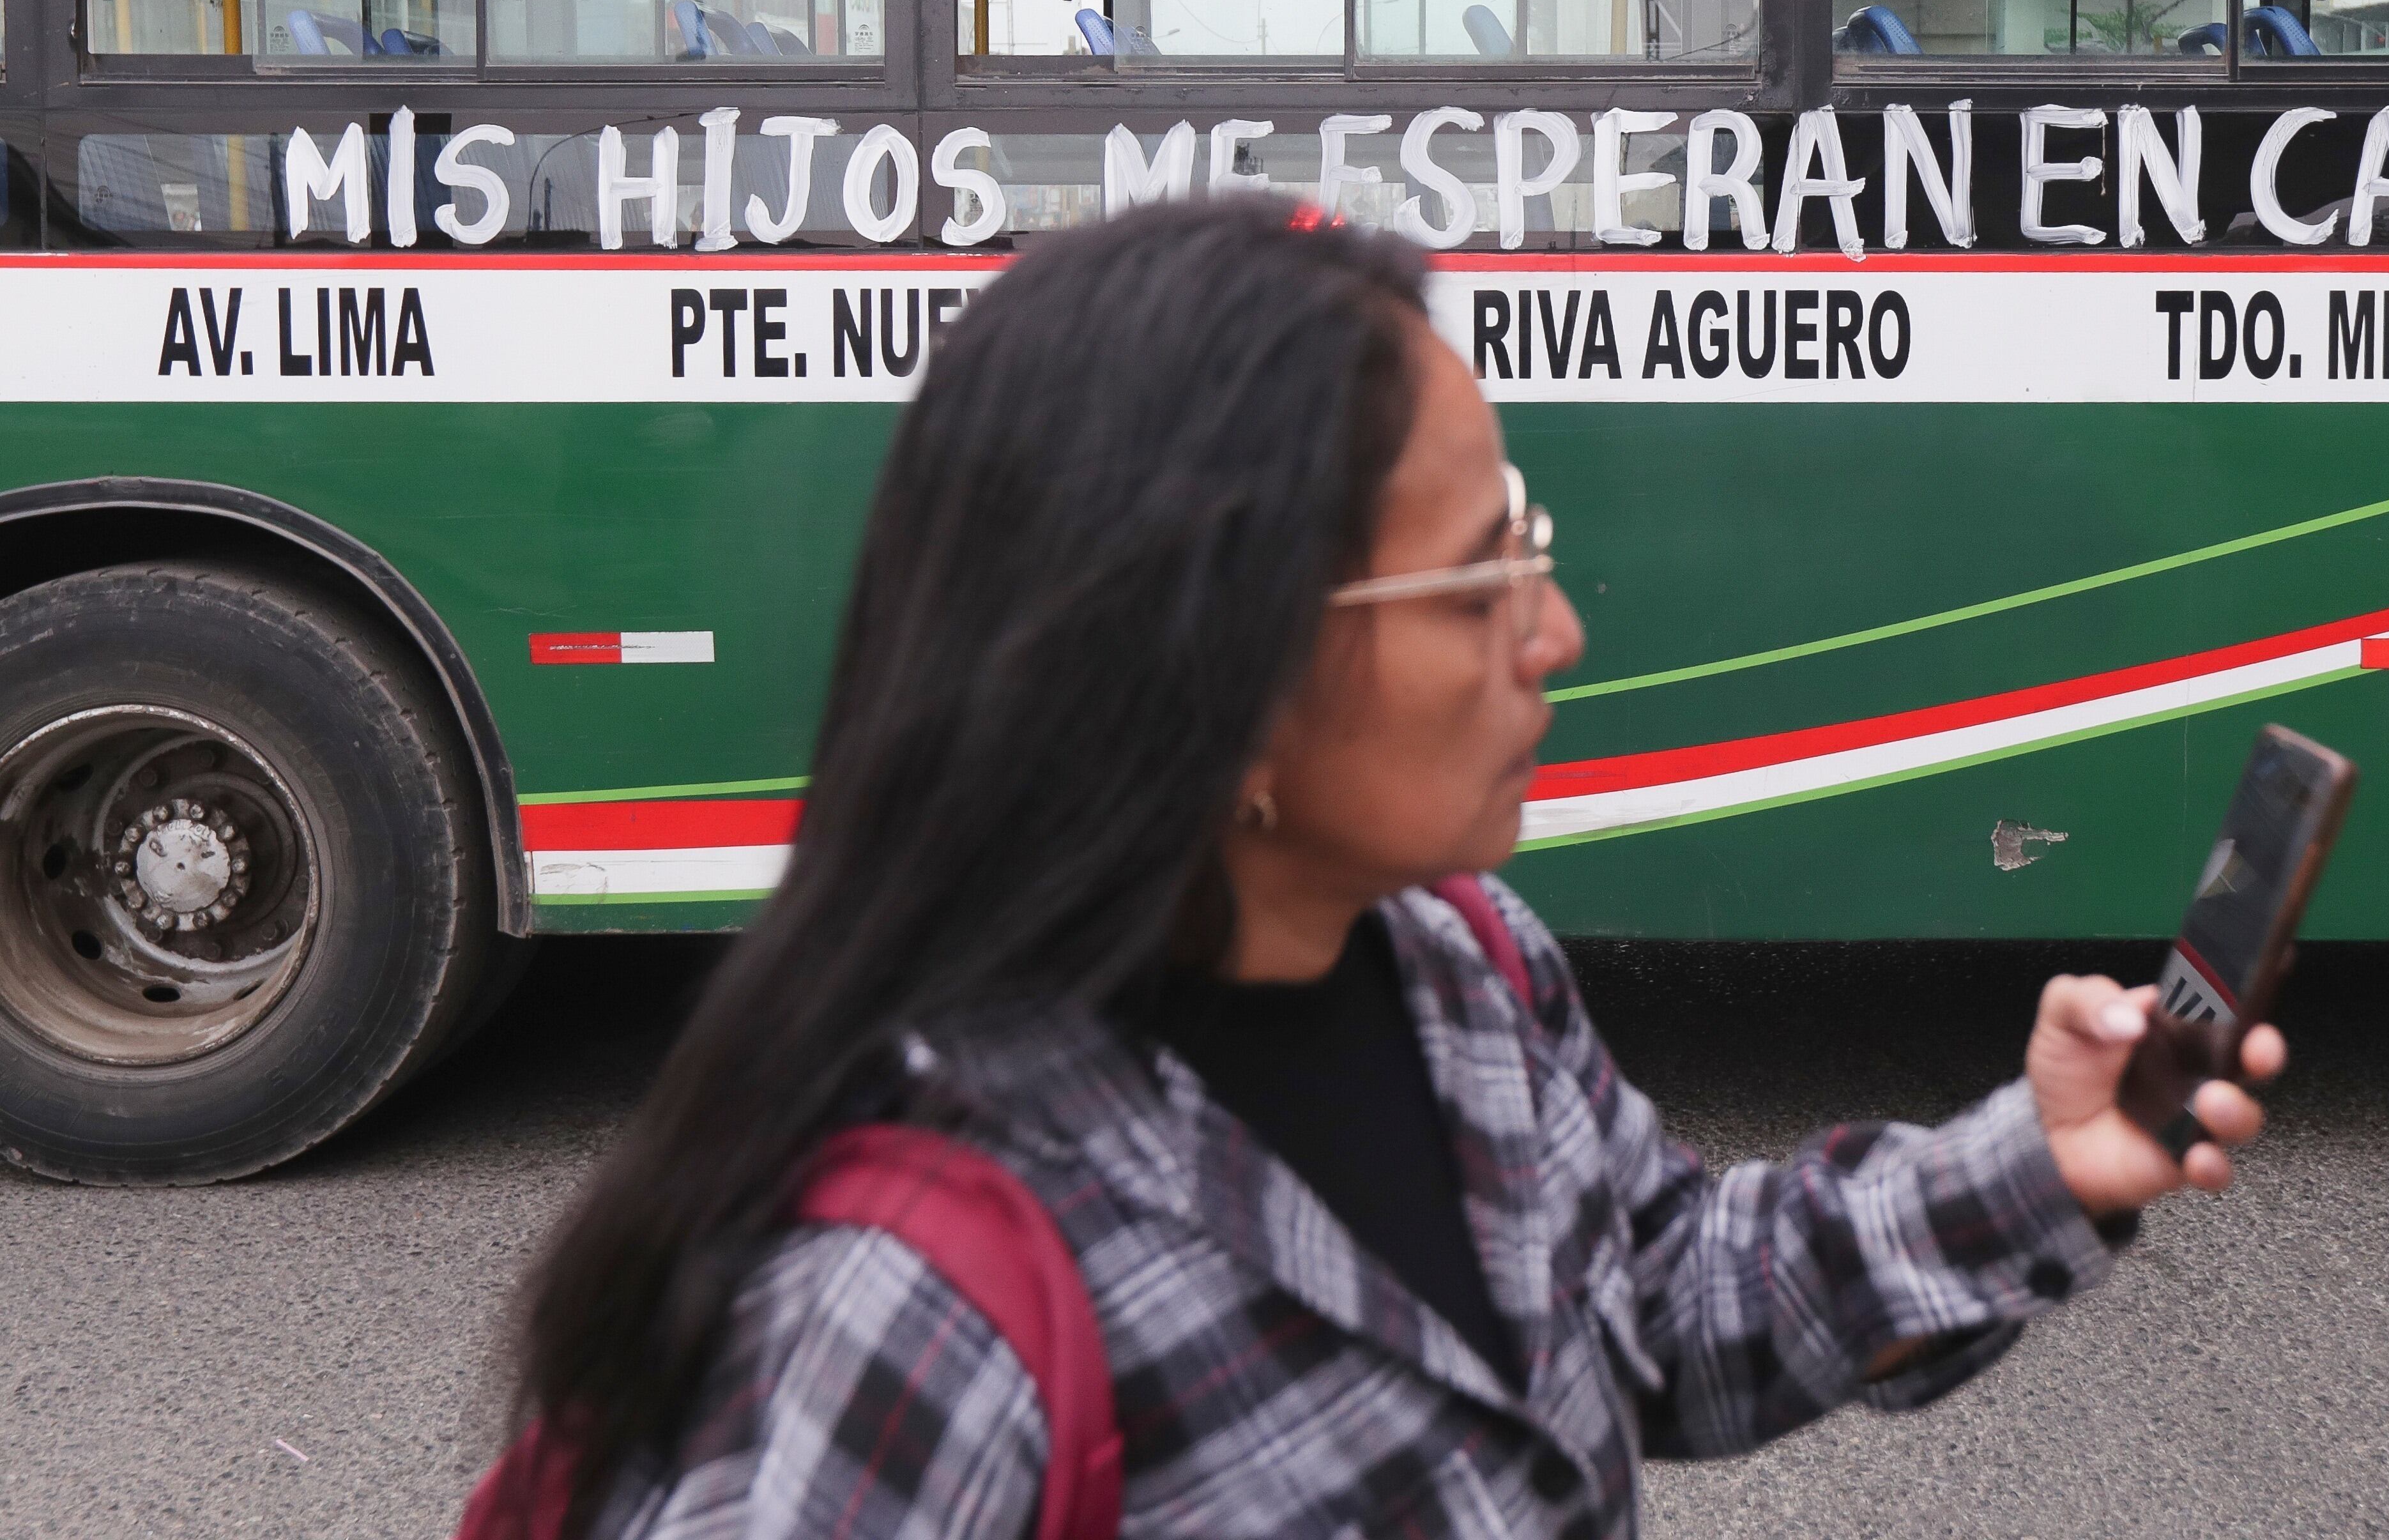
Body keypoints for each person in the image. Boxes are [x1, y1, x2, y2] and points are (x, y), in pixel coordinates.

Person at [498, 199, 2283, 1538]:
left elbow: (1661, 1306)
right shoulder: (908, 1307)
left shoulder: (1464, 969)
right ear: (1226, 671)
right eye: (1478, 577)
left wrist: (2044, 1163)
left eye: (1534, 546)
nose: (1559, 631)